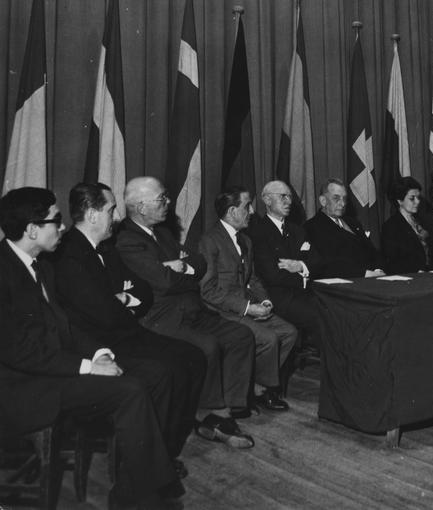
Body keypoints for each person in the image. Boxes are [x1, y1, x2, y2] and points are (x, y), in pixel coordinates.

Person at [0, 187, 183, 508]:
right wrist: (88, 367)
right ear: (31, 230)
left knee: (155, 374)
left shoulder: (42, 265)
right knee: (131, 390)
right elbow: (20, 353)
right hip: (23, 389)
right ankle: (141, 499)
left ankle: (134, 487)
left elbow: (66, 326)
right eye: (55, 220)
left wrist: (99, 353)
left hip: (55, 370)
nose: (63, 226)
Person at [54, 182, 206, 472]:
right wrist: (122, 300)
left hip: (128, 332)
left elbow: (143, 292)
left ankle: (166, 448)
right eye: (111, 210)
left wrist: (124, 298)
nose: (116, 217)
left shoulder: (107, 246)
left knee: (194, 357)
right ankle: (147, 462)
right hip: (99, 345)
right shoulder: (67, 254)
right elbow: (102, 313)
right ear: (93, 214)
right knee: (162, 373)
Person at [115, 176, 256, 449]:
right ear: (141, 207)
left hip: (193, 309)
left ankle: (230, 406)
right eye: (161, 199)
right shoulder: (127, 240)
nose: (168, 203)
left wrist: (181, 266)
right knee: (208, 346)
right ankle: (210, 415)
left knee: (240, 335)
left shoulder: (162, 233)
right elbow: (164, 282)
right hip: (161, 318)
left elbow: (199, 263)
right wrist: (176, 270)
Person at [199, 187, 297, 411]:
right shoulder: (210, 241)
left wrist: (265, 301)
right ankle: (257, 390)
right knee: (269, 339)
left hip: (247, 306)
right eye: (247, 206)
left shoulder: (245, 240)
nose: (252, 211)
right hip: (221, 311)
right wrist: (247, 308)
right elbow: (208, 291)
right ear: (232, 211)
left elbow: (252, 279)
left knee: (289, 333)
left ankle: (256, 385)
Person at [244, 180, 322, 344]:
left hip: (305, 293)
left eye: (290, 197)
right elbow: (272, 275)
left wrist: (300, 266)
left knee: (337, 307)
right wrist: (304, 276)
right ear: (267, 200)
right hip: (277, 298)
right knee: (321, 314)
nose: (288, 202)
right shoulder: (257, 233)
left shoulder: (298, 230)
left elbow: (317, 261)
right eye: (283, 197)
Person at [303, 178, 385, 278]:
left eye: (344, 199)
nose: (342, 204)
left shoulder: (353, 223)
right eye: (336, 198)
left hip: (370, 278)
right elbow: (328, 263)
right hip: (344, 282)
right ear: (323, 201)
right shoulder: (312, 227)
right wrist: (364, 273)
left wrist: (377, 269)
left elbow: (372, 251)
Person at [381, 176, 433, 274]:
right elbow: (393, 262)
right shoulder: (391, 226)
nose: (417, 201)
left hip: (431, 274)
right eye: (412, 198)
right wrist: (416, 271)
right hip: (410, 276)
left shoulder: (423, 221)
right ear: (399, 201)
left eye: (418, 197)